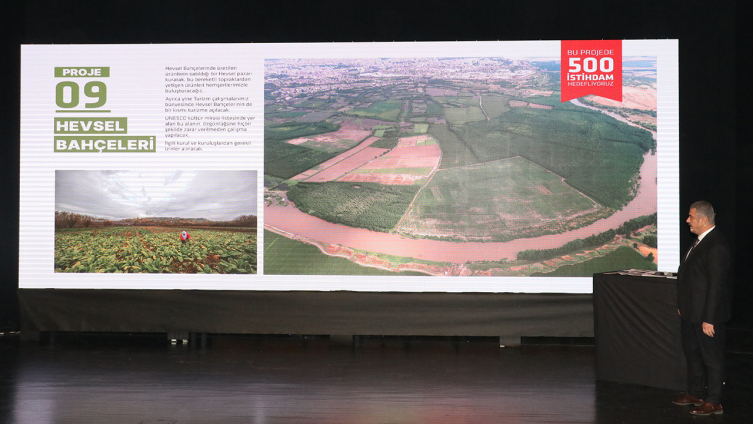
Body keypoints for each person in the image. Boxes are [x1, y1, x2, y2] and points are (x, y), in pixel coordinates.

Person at [672, 201, 731, 415]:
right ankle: (696, 393)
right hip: (691, 312)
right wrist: (683, 305)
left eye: (691, 217)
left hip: (707, 316)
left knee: (712, 358)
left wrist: (709, 319)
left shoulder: (716, 245)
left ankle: (714, 401)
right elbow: (691, 277)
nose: (687, 220)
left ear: (704, 220)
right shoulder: (700, 241)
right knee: (693, 354)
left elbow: (716, 287)